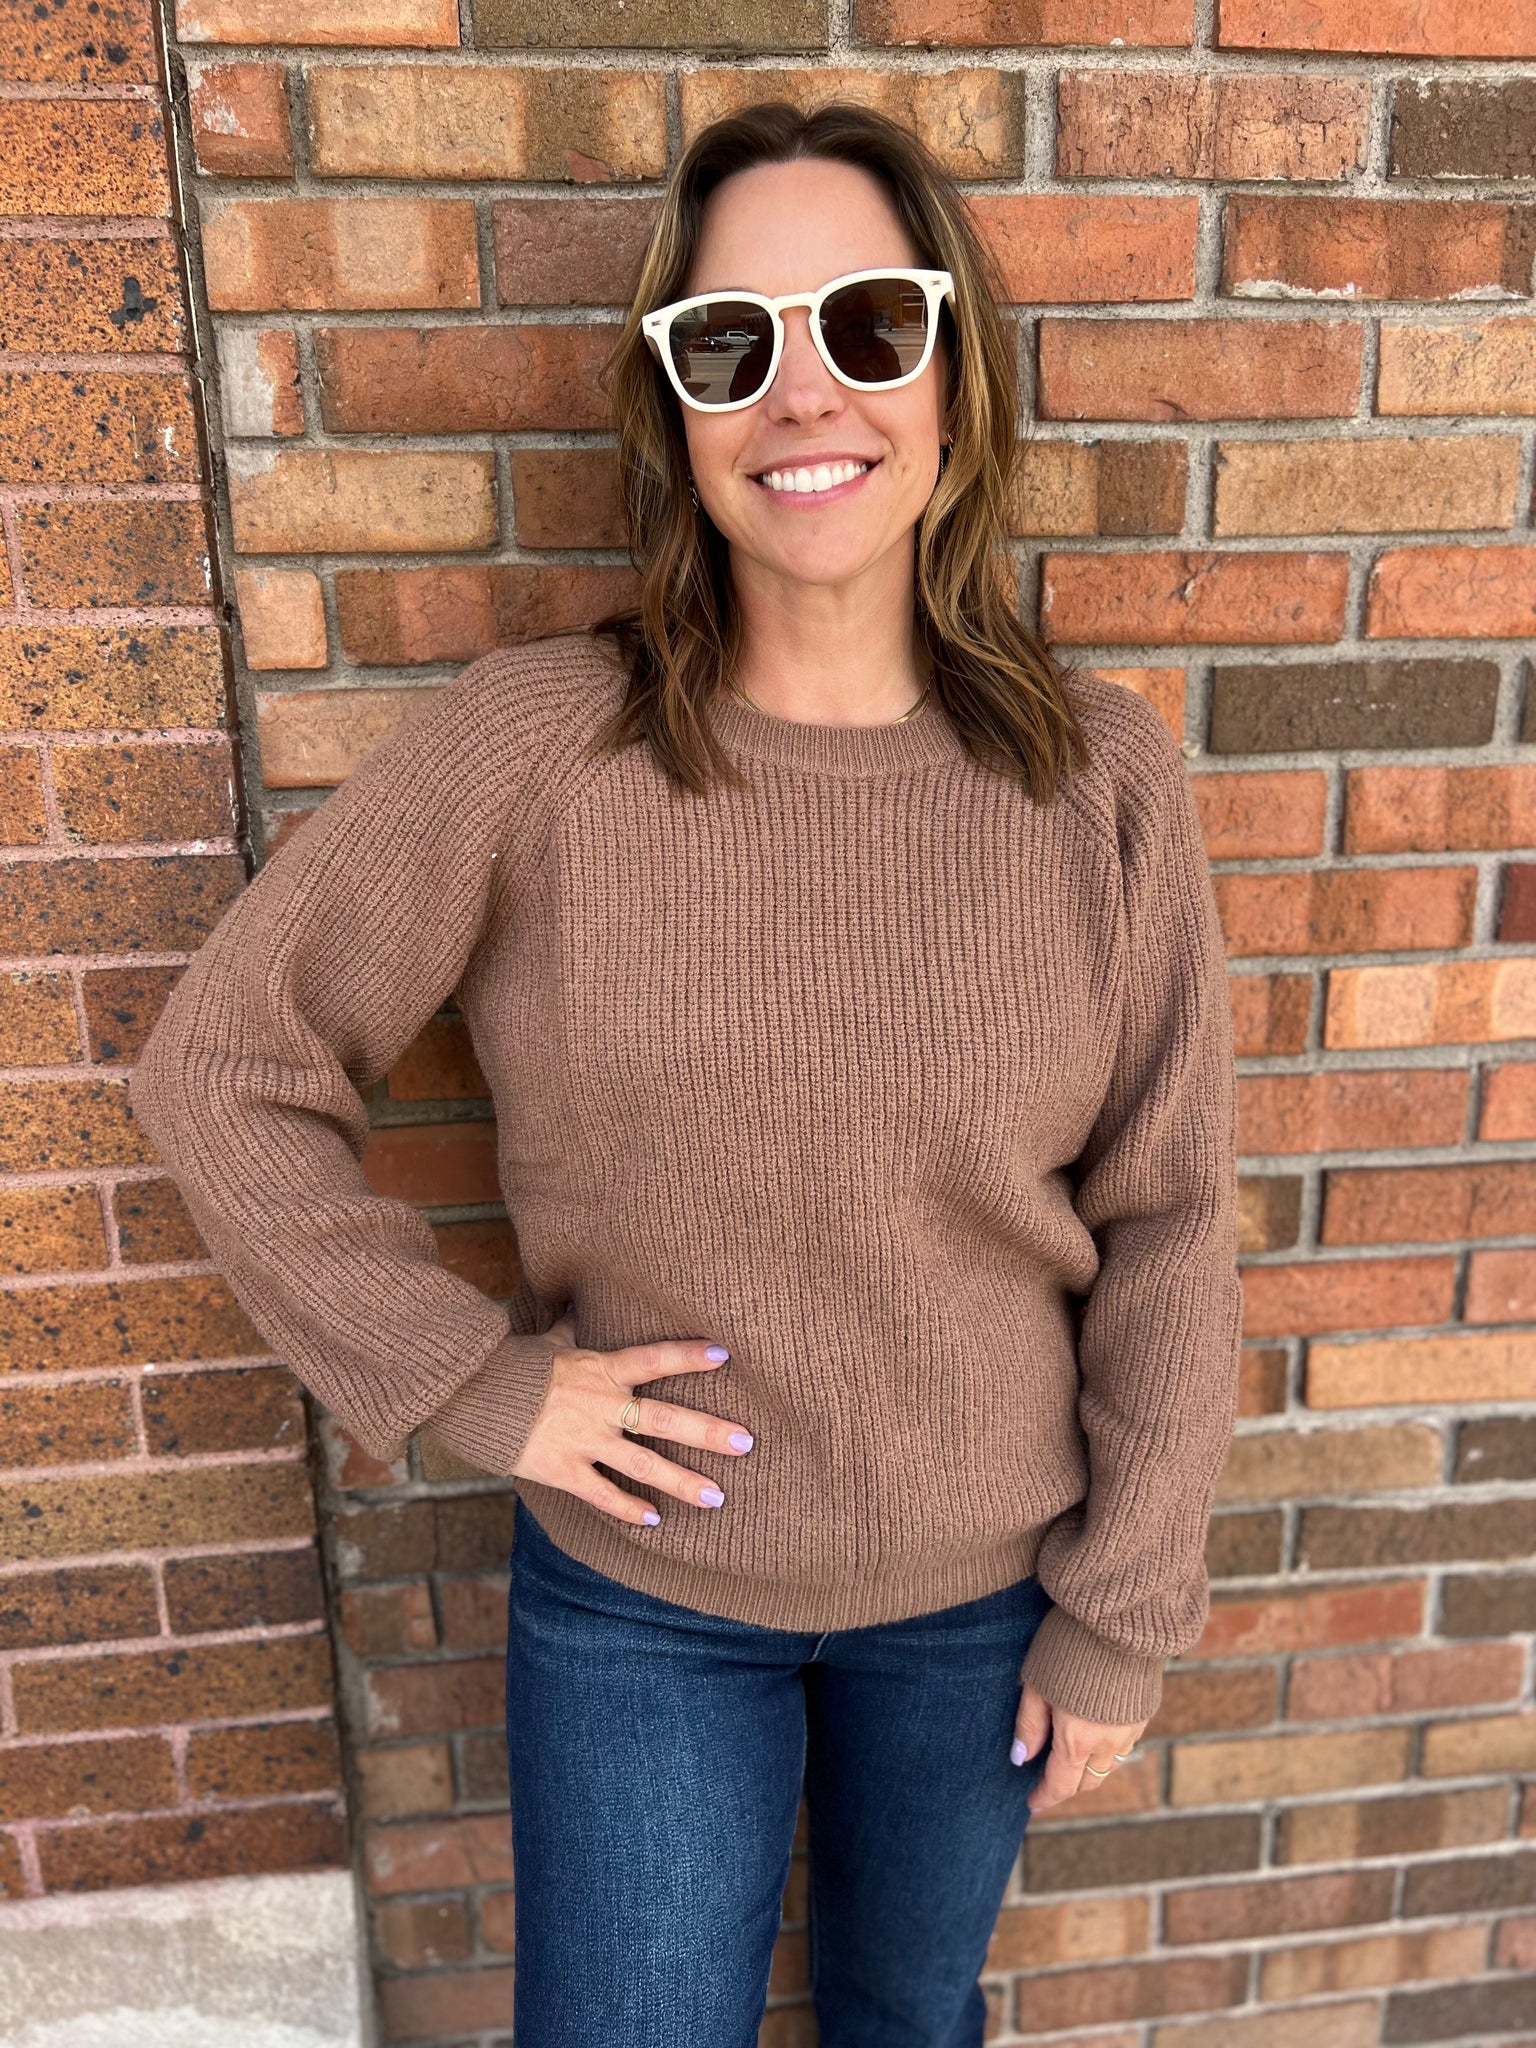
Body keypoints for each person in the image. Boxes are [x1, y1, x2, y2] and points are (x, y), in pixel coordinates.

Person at [129, 100, 1242, 2048]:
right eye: (730, 341)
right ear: (676, 402)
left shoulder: (1100, 783)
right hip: (643, 1598)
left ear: (956, 370)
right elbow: (225, 1065)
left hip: (984, 1593)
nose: (805, 392)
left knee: (908, 2019)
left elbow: (1169, 1222)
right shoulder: (540, 749)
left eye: (871, 325)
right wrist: (468, 1383)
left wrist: (1123, 1612)